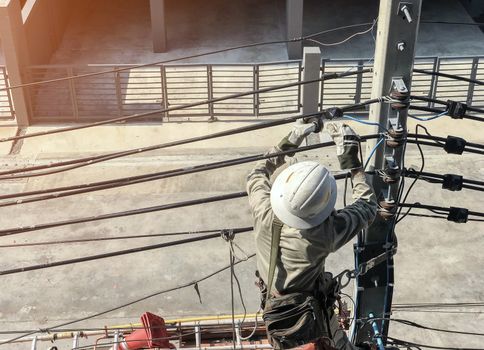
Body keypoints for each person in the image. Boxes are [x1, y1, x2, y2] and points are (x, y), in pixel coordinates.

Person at [246, 121, 377, 350]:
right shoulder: (323, 234)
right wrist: (352, 163)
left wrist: (290, 141)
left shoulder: (263, 210)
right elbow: (367, 205)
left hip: (275, 306)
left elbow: (257, 172)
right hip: (309, 314)